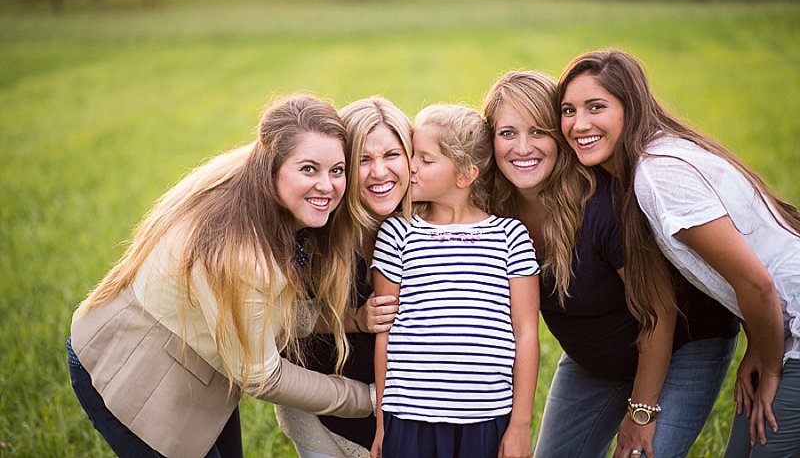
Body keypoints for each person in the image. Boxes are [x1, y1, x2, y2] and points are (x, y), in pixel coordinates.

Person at [67, 94, 374, 458]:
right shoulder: (243, 255)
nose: (327, 185)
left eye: (336, 170)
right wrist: (368, 399)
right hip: (131, 377)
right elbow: (264, 376)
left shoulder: (253, 177)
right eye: (308, 169)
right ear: (272, 166)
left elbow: (274, 313)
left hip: (199, 374)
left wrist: (351, 319)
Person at [482, 70, 740, 458]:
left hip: (680, 345)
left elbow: (659, 310)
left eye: (539, 131)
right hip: (593, 360)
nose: (523, 147)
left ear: (560, 136)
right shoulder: (490, 208)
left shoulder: (600, 206)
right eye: (507, 133)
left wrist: (641, 412)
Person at [556, 48, 800, 457]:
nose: (579, 124)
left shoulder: (658, 175)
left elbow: (756, 281)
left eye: (596, 107)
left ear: (630, 107)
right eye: (568, 110)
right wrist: (761, 344)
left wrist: (772, 366)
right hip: (781, 324)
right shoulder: (650, 162)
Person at [370, 103, 541, 458]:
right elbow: (384, 332)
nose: (410, 167)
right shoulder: (398, 233)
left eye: (426, 159)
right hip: (409, 418)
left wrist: (520, 424)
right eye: (412, 155)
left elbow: (526, 333)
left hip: (487, 419)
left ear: (465, 175)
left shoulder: (510, 236)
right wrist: (383, 423)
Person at [275, 96, 413, 458]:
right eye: (363, 160)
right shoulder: (315, 225)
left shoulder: (430, 227)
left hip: (398, 411)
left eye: (391, 155)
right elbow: (284, 320)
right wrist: (355, 319)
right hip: (319, 404)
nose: (379, 172)